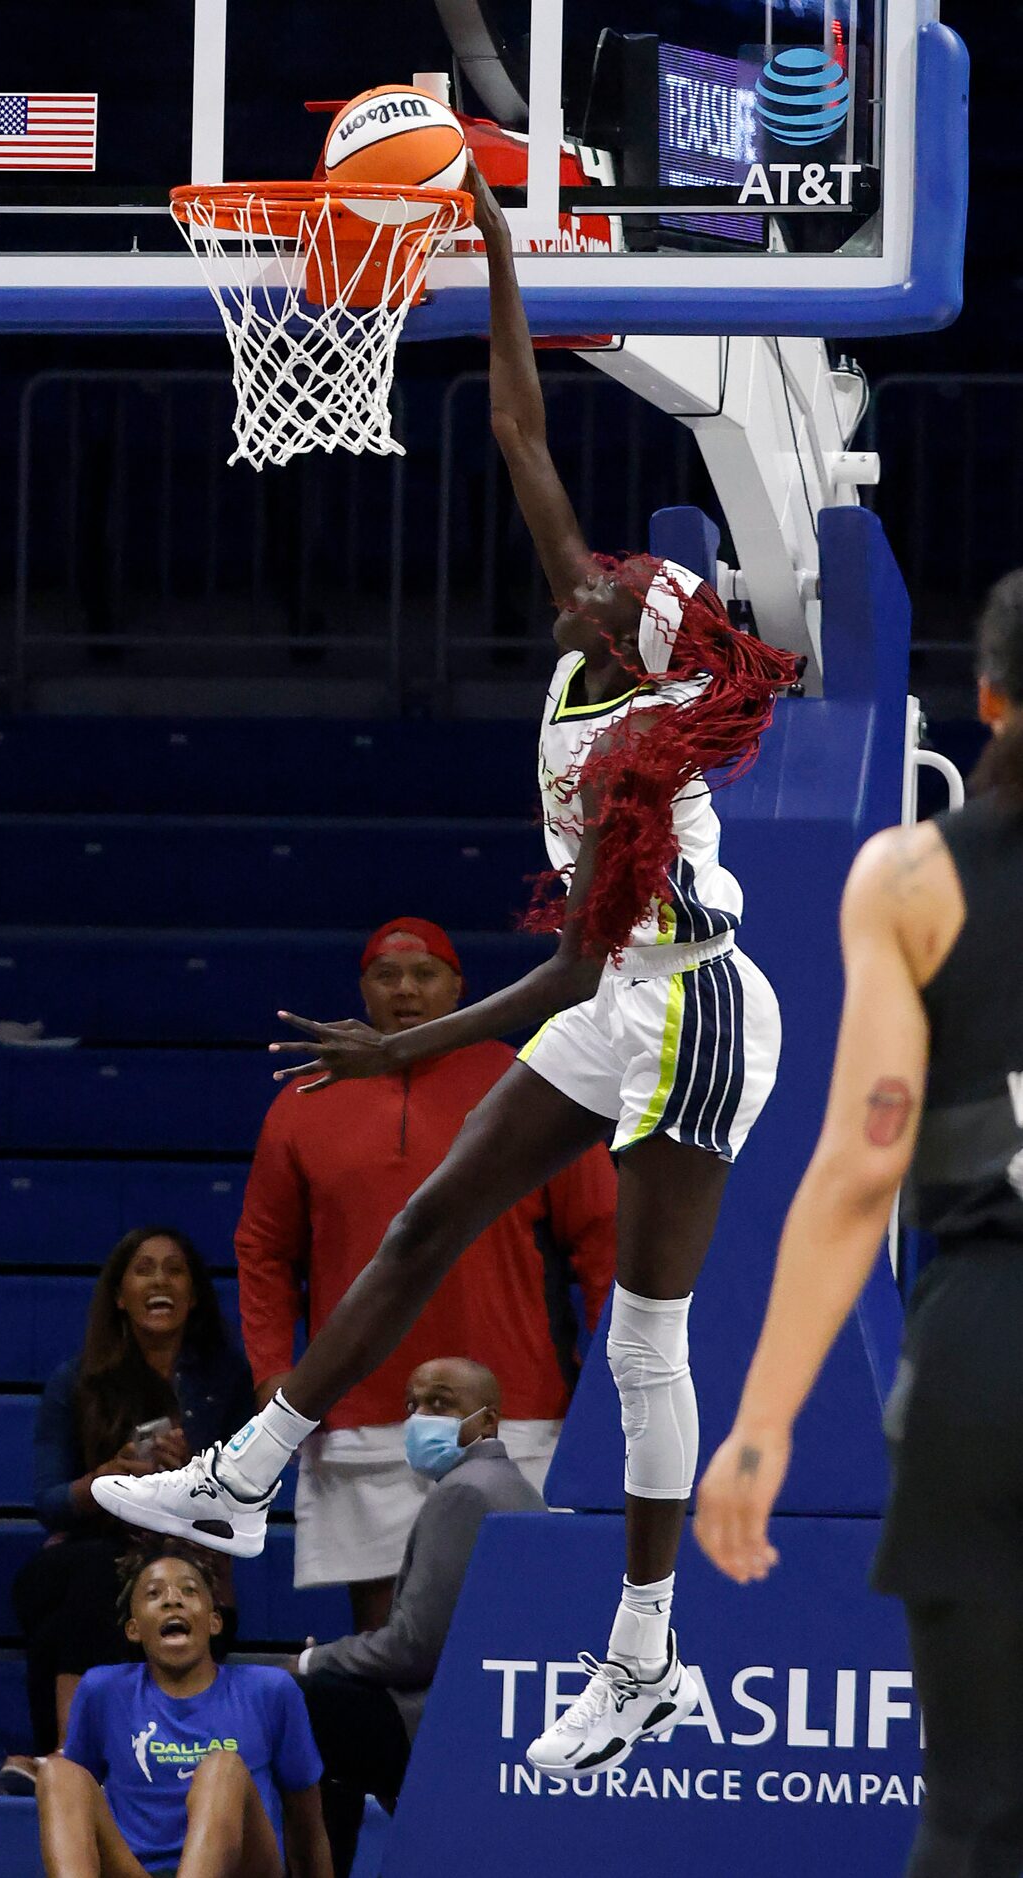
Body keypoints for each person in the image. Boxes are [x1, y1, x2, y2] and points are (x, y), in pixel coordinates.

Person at [93, 162, 798, 1781]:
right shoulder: (586, 637)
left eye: (622, 584)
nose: (594, 567)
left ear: (647, 644)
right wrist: (485, 237)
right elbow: (517, 429)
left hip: (687, 1008)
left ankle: (643, 1654)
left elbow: (559, 976)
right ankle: (247, 1468)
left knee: (642, 1344)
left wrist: (395, 1054)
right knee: (423, 1222)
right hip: (626, 997)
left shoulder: (639, 761)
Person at [695, 570, 1023, 1878]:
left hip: (983, 1352)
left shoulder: (907, 876)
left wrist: (761, 1422)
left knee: (975, 1808)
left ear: (987, 696)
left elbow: (854, 1169)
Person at [237, 915, 615, 1632]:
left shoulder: (530, 1081)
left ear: (458, 987)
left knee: (517, 1629)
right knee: (382, 1639)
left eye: (424, 975)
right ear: (362, 990)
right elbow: (262, 1250)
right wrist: (269, 1371)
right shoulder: (302, 1103)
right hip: (355, 1416)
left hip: (516, 1412)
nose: (406, 990)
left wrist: (604, 1374)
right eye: (387, 976)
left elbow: (604, 1237)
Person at [293, 1357, 544, 1876]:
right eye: (411, 1405)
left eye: (439, 1403)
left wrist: (314, 1660)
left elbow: (414, 1648)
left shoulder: (465, 1492)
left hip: (445, 1724)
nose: (418, 1417)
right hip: (490, 1714)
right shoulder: (509, 1485)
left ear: (488, 1420)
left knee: (308, 1703)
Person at [15, 1226, 256, 1750]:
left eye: (174, 1269)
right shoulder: (75, 1381)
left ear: (193, 1296)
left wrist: (194, 1476)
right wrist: (103, 1482)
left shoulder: (226, 1381)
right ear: (119, 1296)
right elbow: (49, 1503)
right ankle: (78, 1759)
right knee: (99, 1568)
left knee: (76, 1616)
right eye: (143, 1269)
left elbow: (248, 1502)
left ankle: (69, 1760)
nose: (159, 1281)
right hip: (82, 1555)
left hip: (190, 1569)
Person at [37, 1539, 333, 1878]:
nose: (172, 1600)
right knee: (59, 1774)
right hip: (138, 1870)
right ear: (134, 1629)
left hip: (242, 1870)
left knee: (223, 1769)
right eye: (153, 1594)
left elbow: (308, 1827)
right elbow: (78, 1806)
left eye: (189, 1591)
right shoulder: (103, 1690)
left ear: (213, 1622)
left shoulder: (270, 1691)